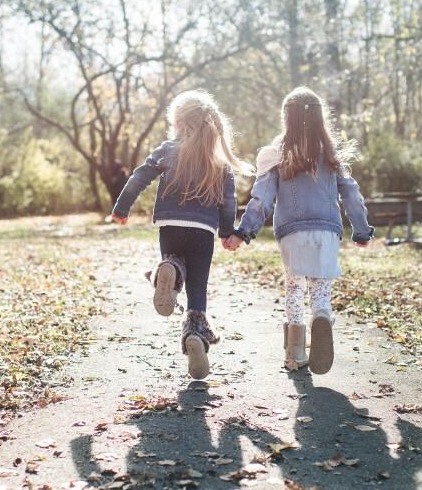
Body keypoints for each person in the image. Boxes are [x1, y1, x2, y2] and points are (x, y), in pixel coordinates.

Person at [224, 86, 372, 374]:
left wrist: (244, 231)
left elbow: (262, 199)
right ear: (320, 119)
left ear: (286, 119)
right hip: (327, 232)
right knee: (320, 288)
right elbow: (352, 195)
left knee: (294, 287)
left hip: (292, 233)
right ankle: (322, 316)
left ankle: (294, 353)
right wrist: (362, 231)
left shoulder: (275, 155)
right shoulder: (330, 156)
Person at [112, 90, 248, 379]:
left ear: (178, 123)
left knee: (175, 261)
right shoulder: (218, 160)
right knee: (197, 286)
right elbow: (229, 200)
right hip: (203, 231)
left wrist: (121, 208)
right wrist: (227, 231)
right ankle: (195, 335)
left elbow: (139, 176)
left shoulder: (167, 149)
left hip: (170, 224)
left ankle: (169, 268)